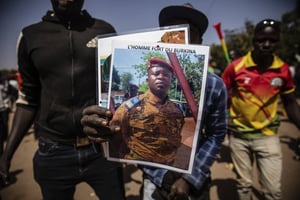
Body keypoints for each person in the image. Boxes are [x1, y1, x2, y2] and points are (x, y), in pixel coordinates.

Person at [81, 3, 228, 200]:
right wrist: (102, 131)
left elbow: (215, 134)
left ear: (199, 42)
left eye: (187, 32)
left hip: (195, 180)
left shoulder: (213, 86)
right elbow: (128, 141)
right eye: (172, 32)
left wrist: (190, 179)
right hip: (154, 180)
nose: (179, 39)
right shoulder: (130, 106)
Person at [0, 0, 125, 199]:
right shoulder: (30, 36)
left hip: (101, 149)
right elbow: (27, 101)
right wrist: (6, 156)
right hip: (53, 150)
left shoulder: (105, 31)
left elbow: (118, 91)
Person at [222, 19, 300, 200]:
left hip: (268, 136)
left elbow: (290, 103)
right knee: (244, 185)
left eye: (272, 40)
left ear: (278, 41)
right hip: (239, 136)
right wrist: (224, 119)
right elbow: (222, 96)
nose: (266, 44)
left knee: (272, 191)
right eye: (261, 39)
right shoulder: (235, 67)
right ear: (253, 40)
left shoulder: (283, 70)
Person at [109, 57, 185, 165]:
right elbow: (114, 136)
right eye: (156, 73)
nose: (161, 77)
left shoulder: (177, 110)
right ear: (147, 80)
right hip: (140, 164)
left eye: (166, 75)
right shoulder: (129, 107)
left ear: (171, 82)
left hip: (169, 164)